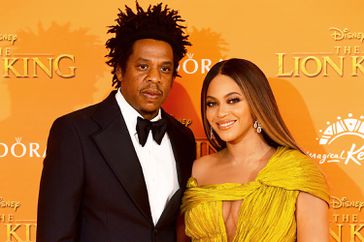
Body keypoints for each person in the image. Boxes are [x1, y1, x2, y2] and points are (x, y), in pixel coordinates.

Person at [37, 2, 196, 242]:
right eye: (143, 67)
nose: (154, 78)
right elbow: (54, 235)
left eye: (165, 69)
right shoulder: (74, 132)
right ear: (120, 70)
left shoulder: (183, 138)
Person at [180, 58, 329, 242]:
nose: (220, 113)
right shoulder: (198, 171)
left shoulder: (297, 171)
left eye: (233, 100)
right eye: (212, 103)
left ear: (256, 103)